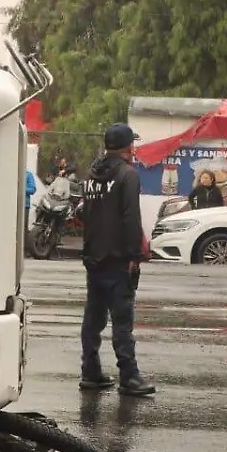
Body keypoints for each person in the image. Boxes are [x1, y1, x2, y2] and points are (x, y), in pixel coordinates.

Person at [78, 123, 156, 397]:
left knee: (93, 318)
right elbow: (130, 217)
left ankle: (90, 371)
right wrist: (135, 254)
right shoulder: (127, 175)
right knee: (122, 322)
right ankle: (129, 376)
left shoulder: (91, 173)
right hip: (118, 258)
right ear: (128, 147)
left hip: (94, 256)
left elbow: (85, 212)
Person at [24, 170, 37, 236]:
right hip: (11, 204)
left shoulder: (28, 174)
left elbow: (33, 189)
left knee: (23, 226)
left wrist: (21, 188)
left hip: (24, 205)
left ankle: (24, 244)